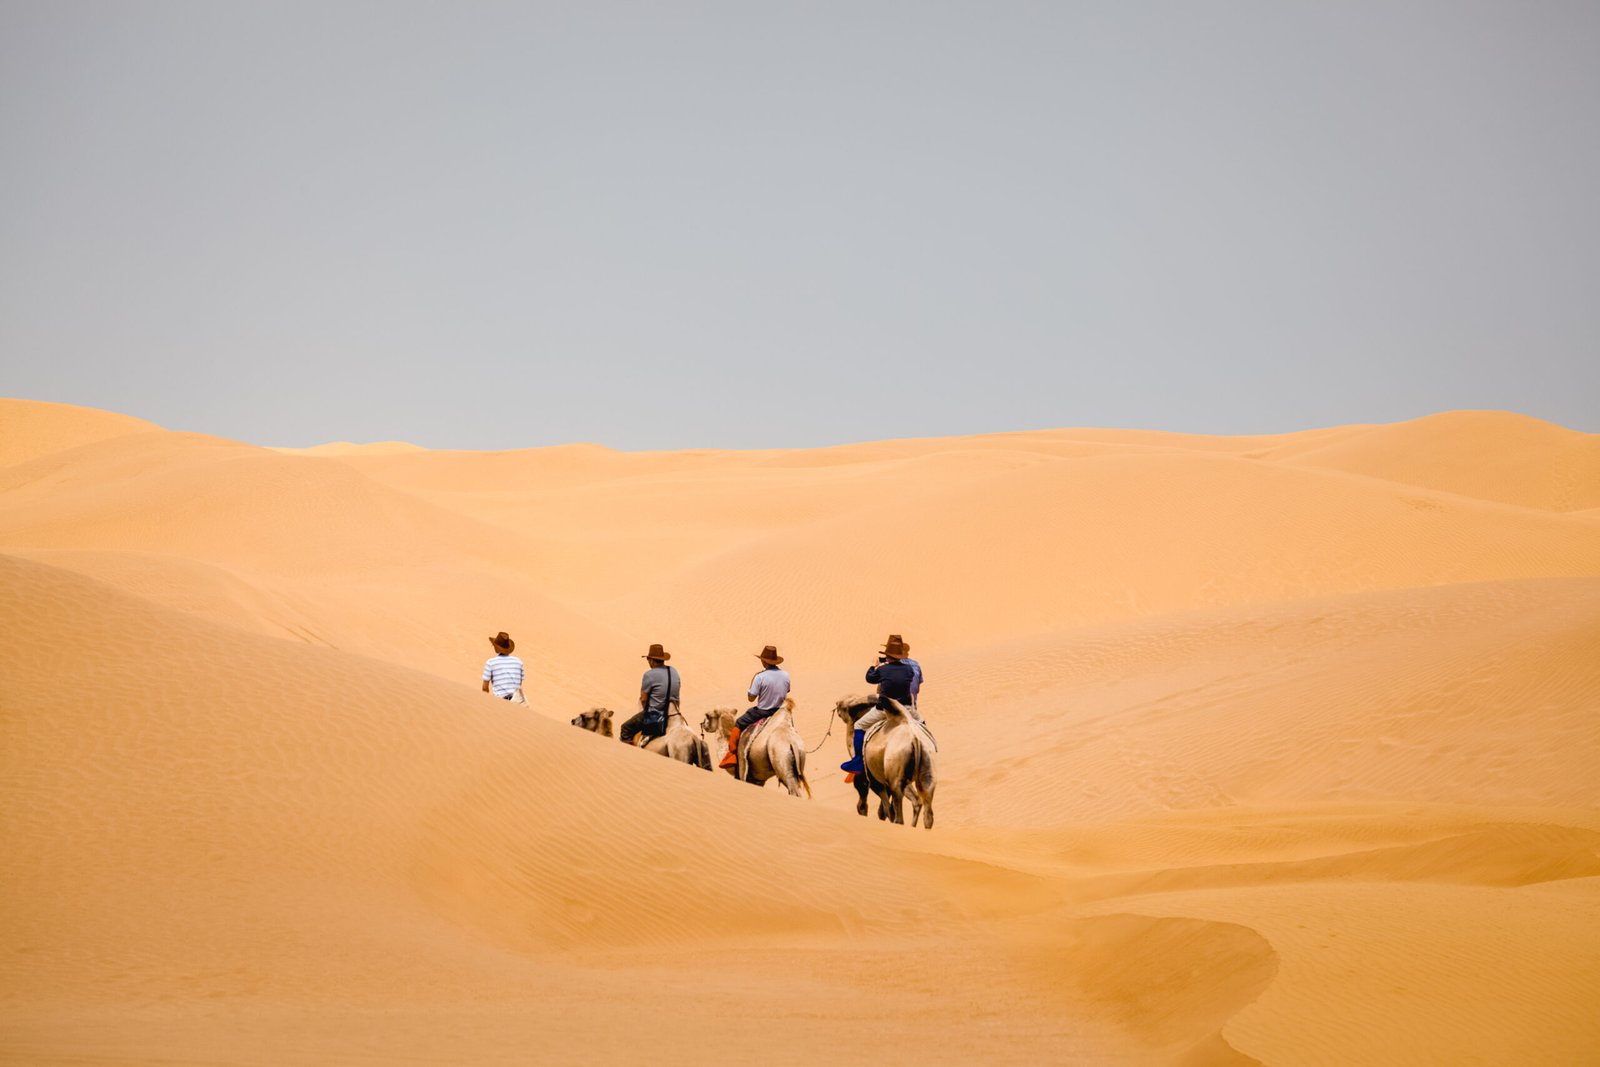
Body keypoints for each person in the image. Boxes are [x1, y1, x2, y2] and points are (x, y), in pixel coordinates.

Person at [840, 635, 918, 773]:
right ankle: (931, 747)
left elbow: (869, 678)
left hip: (885, 710)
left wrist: (874, 666)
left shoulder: (882, 670)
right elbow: (905, 678)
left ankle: (858, 761)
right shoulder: (909, 669)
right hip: (906, 709)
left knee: (859, 725)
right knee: (921, 724)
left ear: (887, 655)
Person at [720, 645, 792, 771]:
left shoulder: (760, 677)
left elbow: (751, 698)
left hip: (763, 711)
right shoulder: (785, 675)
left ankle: (731, 755)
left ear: (763, 661)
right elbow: (788, 690)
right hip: (779, 711)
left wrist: (752, 690)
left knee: (738, 723)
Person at [620, 643, 679, 746]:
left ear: (651, 660)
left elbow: (643, 700)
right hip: (674, 713)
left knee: (625, 728)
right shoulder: (673, 671)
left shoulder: (649, 675)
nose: (648, 662)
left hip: (656, 714)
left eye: (648, 660)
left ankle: (629, 753)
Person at [481, 631, 526, 704]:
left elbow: (485, 688)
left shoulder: (490, 663)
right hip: (519, 701)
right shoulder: (518, 662)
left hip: (501, 701)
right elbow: (519, 683)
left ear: (495, 648)